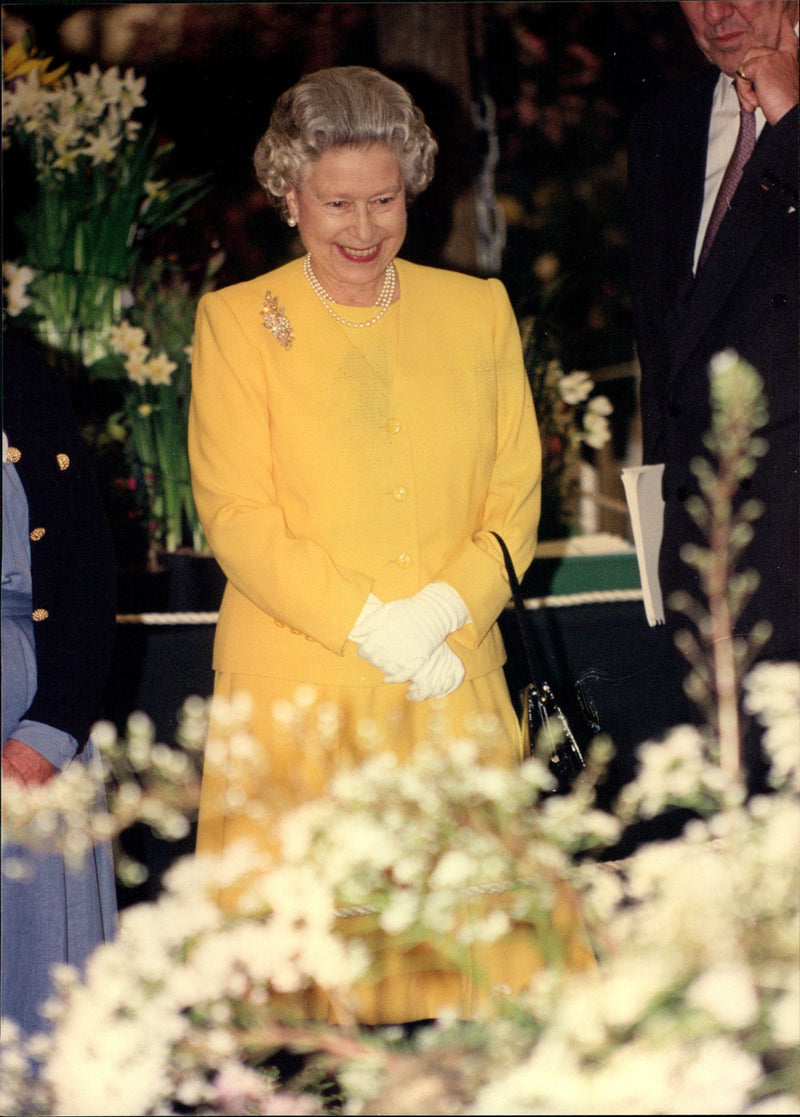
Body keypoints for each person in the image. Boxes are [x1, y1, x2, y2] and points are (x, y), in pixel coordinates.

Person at [189, 65, 591, 1026]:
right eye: (336, 204)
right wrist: (374, 625)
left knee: (496, 992)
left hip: (450, 682)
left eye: (384, 199)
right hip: (304, 699)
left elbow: (514, 499)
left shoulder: (476, 309)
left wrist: (441, 614)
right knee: (312, 1017)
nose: (363, 229)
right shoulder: (240, 322)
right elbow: (237, 516)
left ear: (412, 186)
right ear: (289, 196)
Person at [628, 2, 799, 772]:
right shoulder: (667, 122)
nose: (717, 11)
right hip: (708, 552)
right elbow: (660, 337)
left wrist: (793, 122)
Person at [2, 334, 118, 1037]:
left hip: (31, 720)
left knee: (44, 1004)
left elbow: (84, 560)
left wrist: (48, 735)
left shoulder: (17, 371)